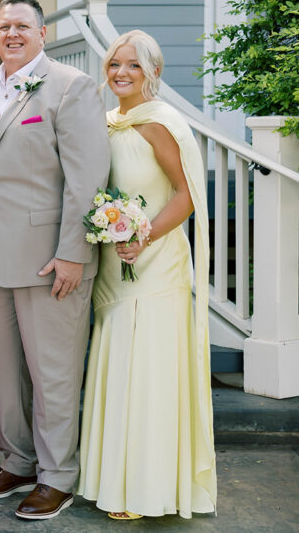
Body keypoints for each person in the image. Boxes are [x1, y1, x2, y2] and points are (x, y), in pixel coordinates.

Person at [0, 0, 109, 520]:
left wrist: (73, 253)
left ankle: (57, 475)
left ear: (42, 34)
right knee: (3, 375)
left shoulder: (72, 88)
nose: (12, 34)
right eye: (4, 25)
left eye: (22, 26)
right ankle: (18, 460)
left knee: (52, 372)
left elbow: (87, 179)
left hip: (50, 259)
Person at [77, 30, 216, 520]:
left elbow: (185, 193)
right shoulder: (107, 121)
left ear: (152, 72)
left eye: (133, 65)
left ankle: (146, 489)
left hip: (156, 264)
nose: (120, 73)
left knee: (150, 371)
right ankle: (110, 479)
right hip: (115, 265)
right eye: (115, 63)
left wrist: (145, 236)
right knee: (119, 364)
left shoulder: (160, 122)